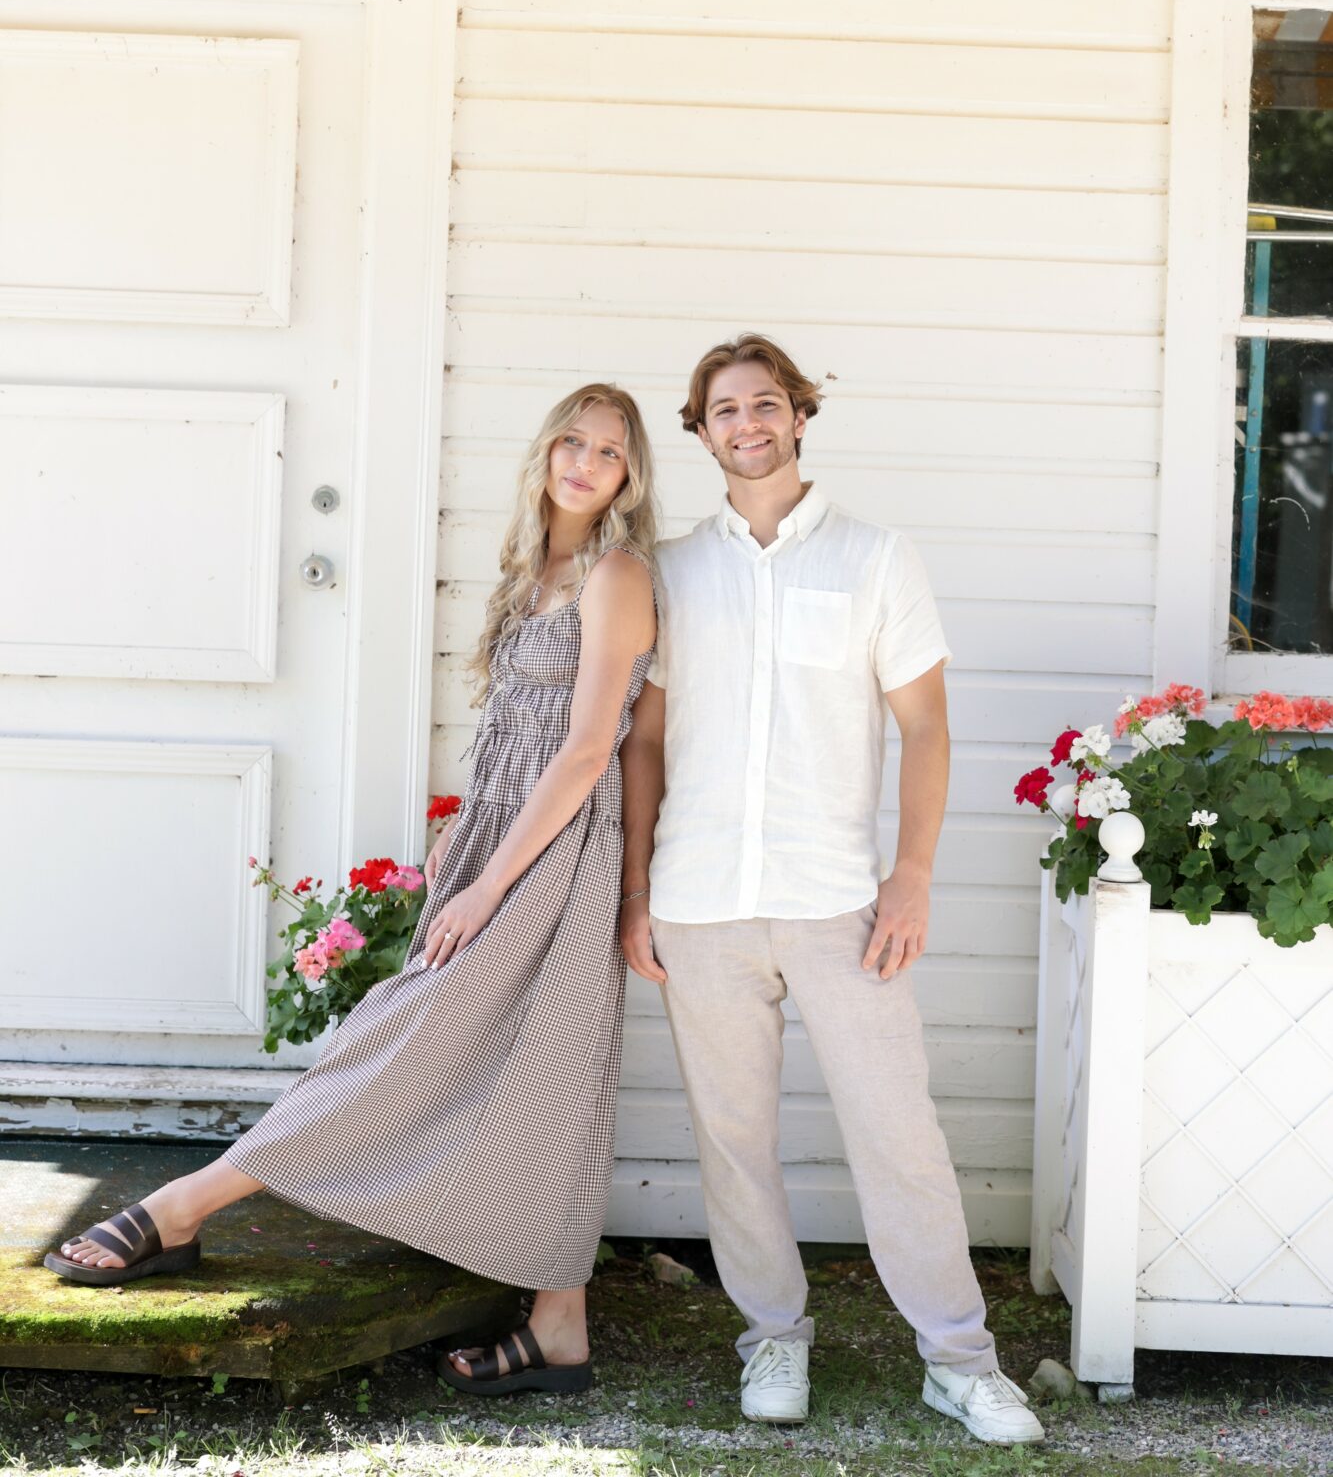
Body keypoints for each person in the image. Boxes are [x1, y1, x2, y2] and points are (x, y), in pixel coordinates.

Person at [48, 385, 658, 1398]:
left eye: (610, 450)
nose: (586, 461)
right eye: (572, 439)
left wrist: (509, 886)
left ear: (631, 475)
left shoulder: (617, 571)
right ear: (545, 448)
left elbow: (600, 744)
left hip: (551, 857)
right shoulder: (533, 571)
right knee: (542, 1068)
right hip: (502, 841)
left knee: (408, 1037)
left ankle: (190, 1202)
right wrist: (470, 854)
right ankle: (561, 1323)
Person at [617, 334, 1043, 1446]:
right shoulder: (672, 568)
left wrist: (910, 877)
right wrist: (635, 892)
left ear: (800, 416)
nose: (746, 423)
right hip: (700, 896)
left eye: (766, 403)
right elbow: (646, 741)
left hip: (839, 899)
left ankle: (959, 1357)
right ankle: (772, 1336)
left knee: (898, 1131)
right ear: (699, 430)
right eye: (724, 409)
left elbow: (925, 728)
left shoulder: (875, 556)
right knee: (732, 1136)